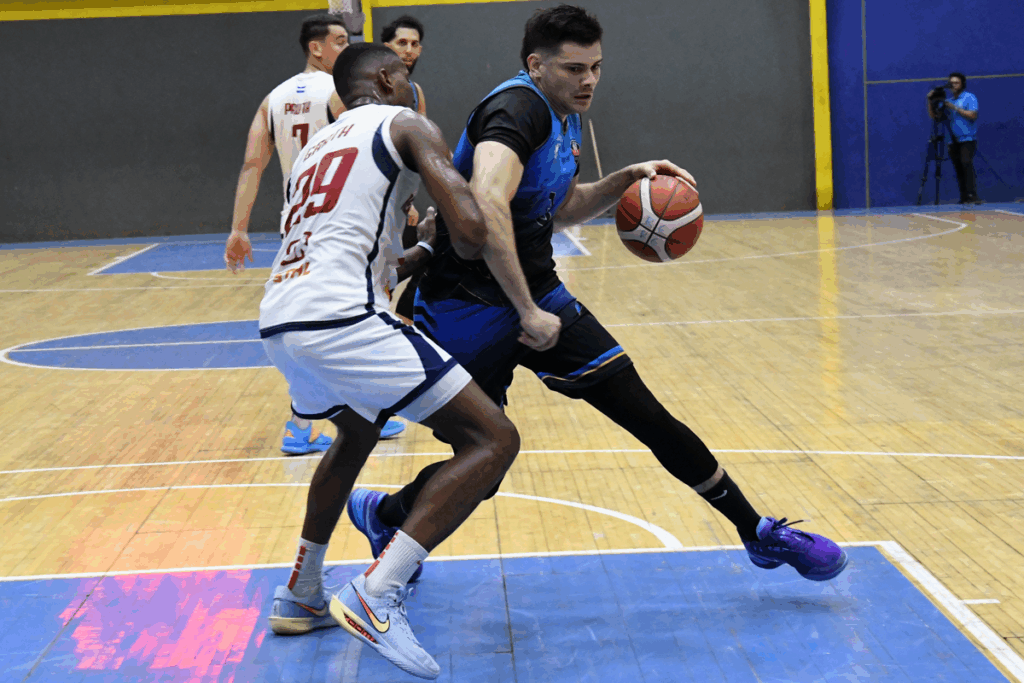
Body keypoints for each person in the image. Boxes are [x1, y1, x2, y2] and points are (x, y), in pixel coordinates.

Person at [347, 4, 849, 587]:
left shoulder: (564, 114)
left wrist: (624, 181)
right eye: (573, 69)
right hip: (466, 304)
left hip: (537, 293)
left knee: (646, 414)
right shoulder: (516, 109)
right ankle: (385, 515)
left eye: (596, 68)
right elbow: (487, 201)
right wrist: (527, 309)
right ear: (536, 65)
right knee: (485, 464)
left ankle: (756, 531)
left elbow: (558, 208)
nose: (588, 80)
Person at [259, 42, 549, 679]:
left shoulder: (315, 149)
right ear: (388, 78)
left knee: (356, 433)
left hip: (280, 317)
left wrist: (420, 248)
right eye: (407, 72)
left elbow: (360, 244)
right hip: (342, 316)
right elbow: (472, 233)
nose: (413, 84)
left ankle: (301, 591)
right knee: (493, 439)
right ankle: (378, 590)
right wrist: (468, 206)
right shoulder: (407, 123)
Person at [223, 14, 405, 449]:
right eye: (340, 41)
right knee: (359, 313)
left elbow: (252, 164)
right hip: (343, 219)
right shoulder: (340, 94)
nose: (346, 48)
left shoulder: (273, 98)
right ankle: (339, 417)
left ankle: (317, 422)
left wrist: (238, 229)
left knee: (323, 322)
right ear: (316, 48)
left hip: (297, 222)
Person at [382, 14, 431, 323]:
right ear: (387, 46)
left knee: (434, 251)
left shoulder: (415, 92)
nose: (409, 49)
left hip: (399, 201)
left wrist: (408, 201)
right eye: (402, 43)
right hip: (373, 202)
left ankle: (405, 320)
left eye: (415, 44)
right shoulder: (371, 90)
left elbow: (421, 151)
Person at [928, 72, 980, 204]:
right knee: (958, 167)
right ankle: (964, 197)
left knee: (966, 163)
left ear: (962, 84)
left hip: (967, 139)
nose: (954, 85)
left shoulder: (969, 97)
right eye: (951, 83)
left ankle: (972, 195)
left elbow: (973, 115)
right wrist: (930, 101)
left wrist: (955, 108)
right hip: (952, 140)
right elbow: (935, 116)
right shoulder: (948, 102)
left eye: (956, 83)